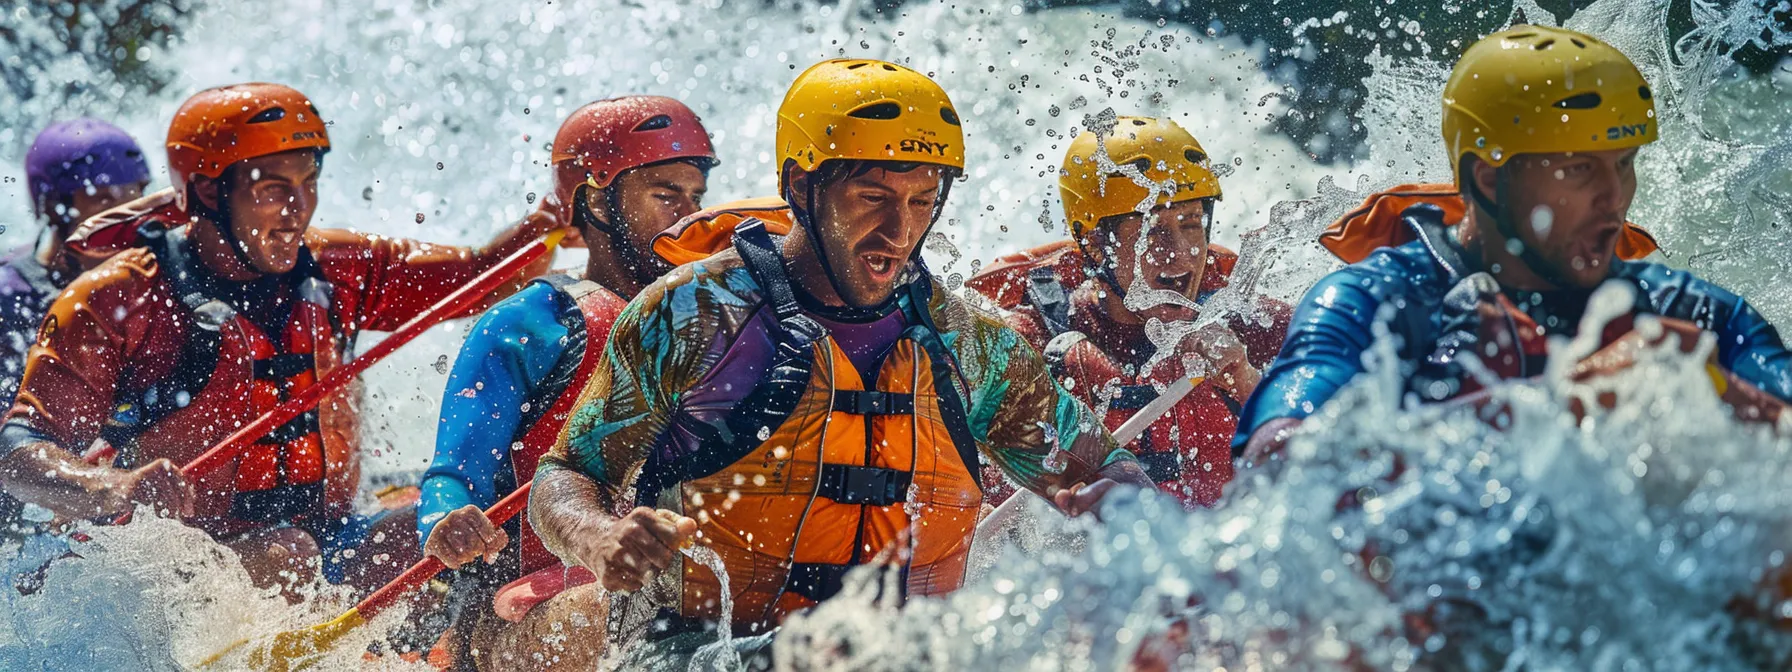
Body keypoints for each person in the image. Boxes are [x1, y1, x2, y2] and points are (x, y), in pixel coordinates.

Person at [521, 58, 1155, 669]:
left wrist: (1119, 503)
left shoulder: (972, 345)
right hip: (698, 655)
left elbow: (1106, 466)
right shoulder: (694, 314)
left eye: (921, 200)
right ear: (801, 185)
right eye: (873, 196)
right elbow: (568, 473)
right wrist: (598, 537)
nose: (898, 230)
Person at [0, 82, 561, 599]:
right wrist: (111, 489)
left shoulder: (337, 267)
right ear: (207, 192)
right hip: (183, 568)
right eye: (272, 188)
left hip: (330, 538)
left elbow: (486, 275)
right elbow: (16, 451)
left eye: (307, 182)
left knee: (453, 531)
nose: (298, 209)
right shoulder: (118, 298)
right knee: (287, 558)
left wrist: (557, 217)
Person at [1233, 26, 1792, 463]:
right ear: (1489, 180)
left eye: (1623, 165)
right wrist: (1557, 405)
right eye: (1577, 170)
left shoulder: (1691, 312)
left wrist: (1732, 398)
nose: (1614, 197)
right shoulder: (1373, 306)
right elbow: (1278, 461)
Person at [416, 96, 716, 669]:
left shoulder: (713, 316)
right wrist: (447, 520)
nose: (688, 217)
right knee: (639, 609)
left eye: (695, 196)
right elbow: (454, 475)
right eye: (664, 195)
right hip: (512, 617)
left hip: (658, 581)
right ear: (597, 202)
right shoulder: (531, 322)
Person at [965, 115, 1289, 508]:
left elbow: (1339, 457)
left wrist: (1246, 380)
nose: (1181, 253)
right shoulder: (1028, 341)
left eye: (1191, 224)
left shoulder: (1256, 324)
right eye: (1153, 231)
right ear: (1097, 245)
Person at [1, 119, 152, 406]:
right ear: (54, 208)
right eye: (105, 201)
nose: (130, 219)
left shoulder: (156, 276)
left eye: (137, 196)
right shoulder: (10, 300)